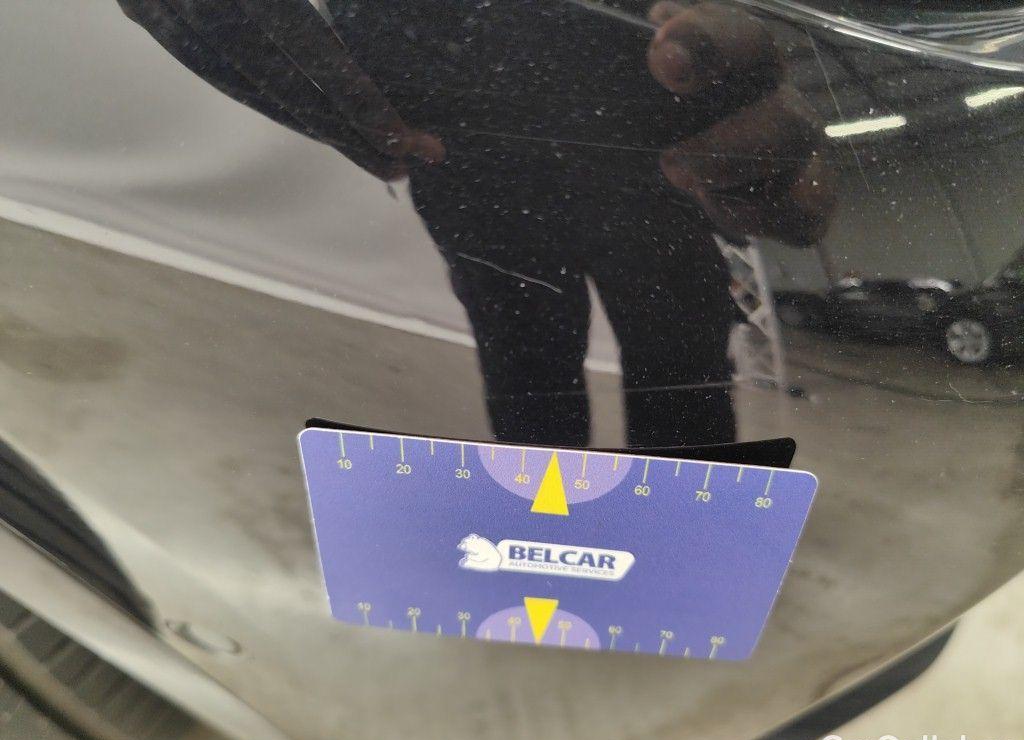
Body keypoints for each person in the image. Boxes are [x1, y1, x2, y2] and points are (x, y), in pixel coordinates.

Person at [117, 0, 834, 447]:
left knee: (667, 356)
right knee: (536, 361)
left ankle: (656, 558)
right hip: (465, 109)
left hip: (631, 96)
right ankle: (558, 551)